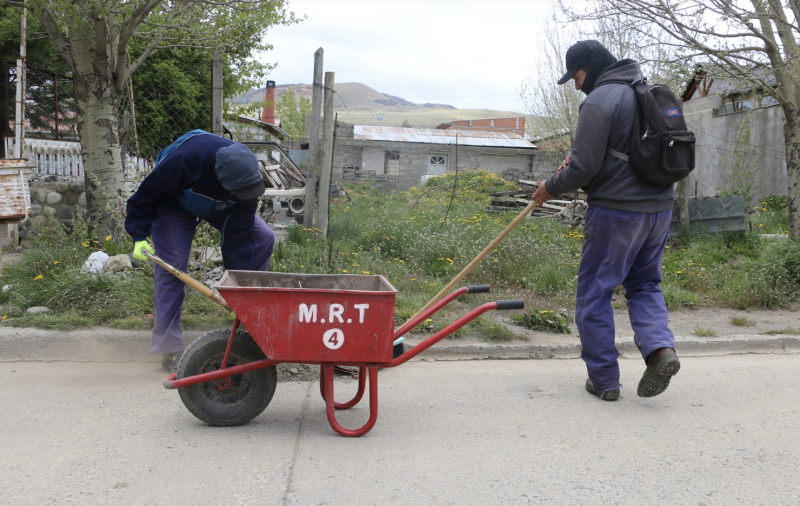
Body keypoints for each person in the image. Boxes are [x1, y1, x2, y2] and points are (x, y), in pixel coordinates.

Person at [530, 41, 680, 401]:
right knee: (645, 285)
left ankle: (604, 380)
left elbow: (583, 169)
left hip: (617, 211)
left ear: (593, 67)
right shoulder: (648, 92)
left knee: (595, 292)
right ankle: (661, 351)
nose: (578, 85)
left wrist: (548, 188)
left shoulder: (600, 100)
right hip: (659, 209)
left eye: (578, 77)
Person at [125, 130, 275, 373]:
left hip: (221, 203)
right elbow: (147, 195)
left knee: (263, 237)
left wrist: (235, 285)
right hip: (172, 202)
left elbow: (237, 236)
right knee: (171, 267)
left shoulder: (247, 181)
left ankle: (251, 321)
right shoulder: (185, 159)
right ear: (220, 179)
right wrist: (138, 235)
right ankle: (168, 347)